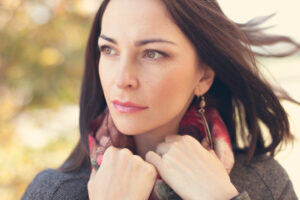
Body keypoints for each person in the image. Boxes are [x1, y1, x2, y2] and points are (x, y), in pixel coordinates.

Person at [21, 0, 300, 199]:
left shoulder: (265, 184)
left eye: (152, 53)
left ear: (203, 75)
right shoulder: (52, 192)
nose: (122, 79)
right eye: (108, 49)